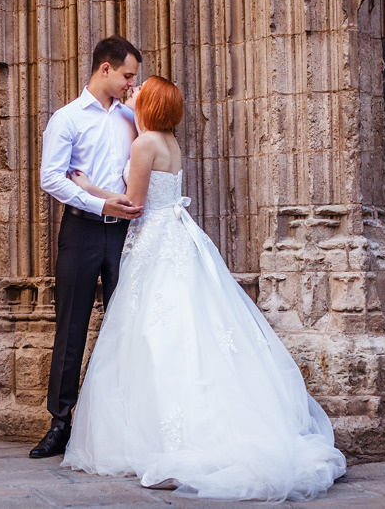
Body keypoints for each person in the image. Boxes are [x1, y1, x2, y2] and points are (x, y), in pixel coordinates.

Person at [60, 76, 347, 501]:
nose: (133, 91)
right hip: (177, 237)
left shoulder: (144, 144)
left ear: (151, 104)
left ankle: (162, 436)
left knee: (153, 332)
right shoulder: (169, 142)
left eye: (140, 91)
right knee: (187, 326)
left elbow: (133, 206)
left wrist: (87, 188)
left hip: (155, 240)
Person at [30, 35, 145, 459]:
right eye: (128, 75)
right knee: (71, 327)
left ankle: (121, 425)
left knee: (125, 327)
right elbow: (51, 177)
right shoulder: (67, 119)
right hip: (81, 231)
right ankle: (60, 423)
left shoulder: (132, 117)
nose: (132, 83)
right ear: (105, 69)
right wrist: (99, 202)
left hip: (125, 235)